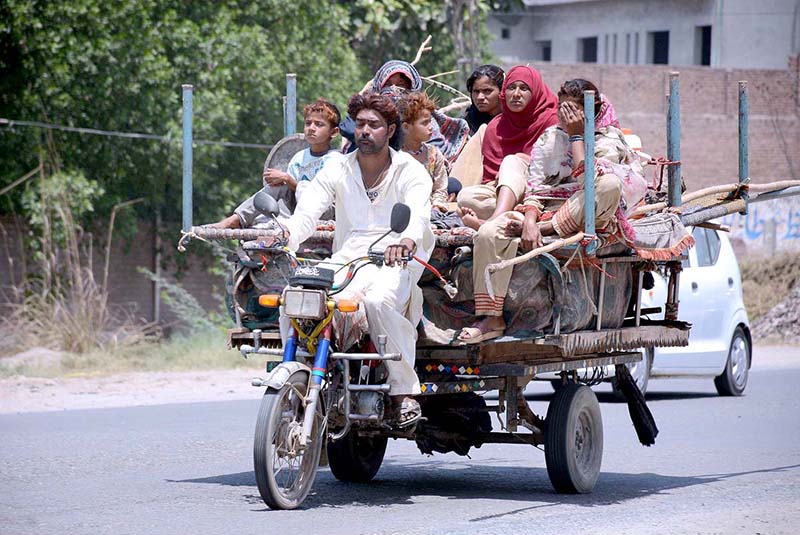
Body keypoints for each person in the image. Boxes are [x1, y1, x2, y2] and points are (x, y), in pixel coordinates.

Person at [270, 93, 435, 426]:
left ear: (390, 130)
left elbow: (417, 213)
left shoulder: (410, 171)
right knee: (295, 296)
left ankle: (404, 391)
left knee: (377, 301)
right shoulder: (337, 168)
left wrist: (404, 241)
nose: (365, 131)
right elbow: (308, 211)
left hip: (397, 257)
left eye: (374, 125)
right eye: (360, 124)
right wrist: (285, 234)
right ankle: (300, 367)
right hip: (347, 258)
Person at [458, 79, 646, 344]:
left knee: (608, 185)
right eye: (562, 109)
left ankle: (546, 229)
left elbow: (590, 184)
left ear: (590, 112)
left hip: (588, 209)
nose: (564, 116)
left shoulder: (609, 140)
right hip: (548, 207)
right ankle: (491, 317)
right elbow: (535, 187)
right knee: (490, 232)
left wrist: (578, 135)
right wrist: (531, 221)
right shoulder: (549, 138)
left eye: (573, 110)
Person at [457, 65, 559, 230]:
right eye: (511, 88)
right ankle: (512, 215)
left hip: (542, 193)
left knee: (512, 161)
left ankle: (493, 220)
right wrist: (499, 180)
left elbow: (557, 168)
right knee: (466, 198)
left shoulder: (551, 121)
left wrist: (523, 161)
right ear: (505, 92)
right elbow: (489, 179)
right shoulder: (495, 127)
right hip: (505, 194)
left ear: (536, 91)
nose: (516, 94)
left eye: (524, 88)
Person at [215, 99, 342, 228]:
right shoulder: (299, 157)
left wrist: (287, 179)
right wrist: (282, 180)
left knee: (286, 182)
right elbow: (290, 192)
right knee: (278, 186)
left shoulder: (335, 160)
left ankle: (268, 224)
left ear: (334, 132)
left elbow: (322, 197)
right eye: (308, 123)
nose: (311, 128)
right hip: (298, 209)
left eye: (319, 124)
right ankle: (239, 219)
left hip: (324, 211)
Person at [398, 92, 449, 212]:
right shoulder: (395, 155)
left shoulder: (433, 154)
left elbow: (440, 189)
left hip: (429, 211)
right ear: (406, 127)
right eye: (424, 123)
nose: (431, 127)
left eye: (430, 121)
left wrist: (436, 206)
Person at [464, 64, 504, 135]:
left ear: (502, 91)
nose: (480, 97)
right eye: (476, 91)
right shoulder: (467, 124)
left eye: (487, 91)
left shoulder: (515, 121)